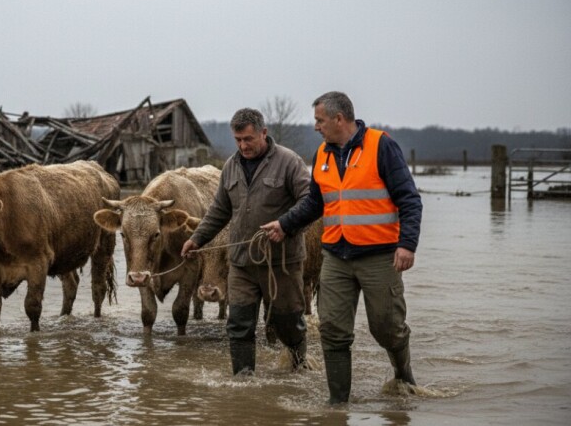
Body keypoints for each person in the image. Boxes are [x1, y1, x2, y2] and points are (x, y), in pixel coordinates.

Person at [260, 91, 423, 404]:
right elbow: (315, 203)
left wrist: (407, 244)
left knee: (387, 328)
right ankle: (337, 405)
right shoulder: (322, 154)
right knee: (332, 330)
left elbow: (409, 199)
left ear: (339, 118)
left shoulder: (381, 146)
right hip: (335, 255)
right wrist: (284, 224)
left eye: (320, 120)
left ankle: (404, 376)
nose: (316, 127)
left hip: (379, 255)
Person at [181, 108, 311, 376]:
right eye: (238, 140)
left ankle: (299, 369)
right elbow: (219, 210)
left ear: (264, 133)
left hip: (281, 262)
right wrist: (197, 239)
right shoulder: (231, 166)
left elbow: (310, 201)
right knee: (238, 323)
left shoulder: (289, 162)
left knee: (287, 322)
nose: (243, 146)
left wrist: (285, 225)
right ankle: (243, 381)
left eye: (248, 139)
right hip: (241, 262)